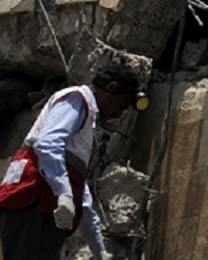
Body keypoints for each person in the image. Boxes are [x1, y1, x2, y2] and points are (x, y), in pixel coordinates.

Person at [0, 61, 145, 260]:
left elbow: (78, 189)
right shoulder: (77, 100)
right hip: (30, 197)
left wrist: (98, 249)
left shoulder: (86, 125)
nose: (118, 114)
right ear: (111, 88)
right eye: (121, 106)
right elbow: (47, 143)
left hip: (49, 209)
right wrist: (64, 193)